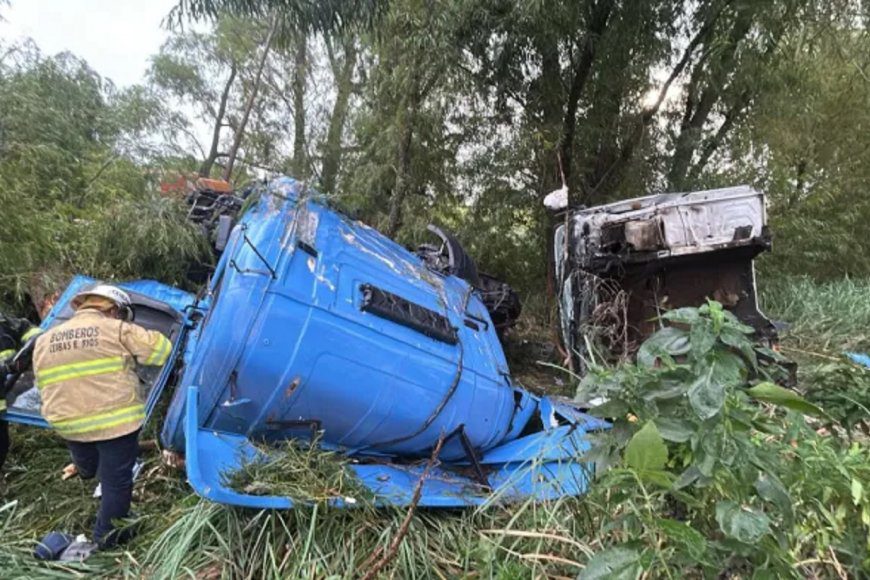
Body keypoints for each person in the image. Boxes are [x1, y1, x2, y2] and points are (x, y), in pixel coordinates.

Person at [32, 284, 172, 547]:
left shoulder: (45, 339)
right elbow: (162, 351)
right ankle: (106, 540)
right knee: (116, 483)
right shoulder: (117, 328)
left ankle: (85, 468)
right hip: (114, 422)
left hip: (68, 423)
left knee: (89, 464)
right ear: (114, 309)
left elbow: (42, 383)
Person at [0, 312, 42, 471]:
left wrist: (34, 340)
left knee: (2, 446)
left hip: (3, 402)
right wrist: (6, 368)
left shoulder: (3, 322)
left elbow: (26, 329)